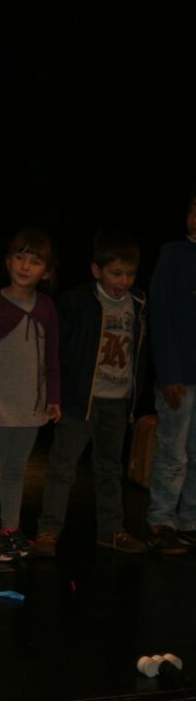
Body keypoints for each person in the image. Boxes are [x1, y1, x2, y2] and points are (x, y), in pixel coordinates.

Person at [35, 230, 149, 556]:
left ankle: (111, 530)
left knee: (110, 469)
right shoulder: (76, 302)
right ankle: (48, 531)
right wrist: (55, 392)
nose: (123, 281)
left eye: (129, 274)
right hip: (80, 401)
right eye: (116, 273)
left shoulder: (138, 303)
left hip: (117, 401)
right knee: (63, 467)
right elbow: (59, 350)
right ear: (97, 270)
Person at [0, 229, 61, 561]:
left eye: (35, 262)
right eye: (20, 258)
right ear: (8, 262)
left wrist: (53, 397)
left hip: (30, 406)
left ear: (46, 272)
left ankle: (10, 528)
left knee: (16, 470)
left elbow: (52, 356)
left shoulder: (47, 307)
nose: (25, 266)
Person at [144, 193, 196, 553]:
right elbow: (159, 316)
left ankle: (191, 520)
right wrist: (168, 373)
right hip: (180, 377)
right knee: (172, 452)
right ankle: (162, 520)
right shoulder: (174, 254)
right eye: (193, 210)